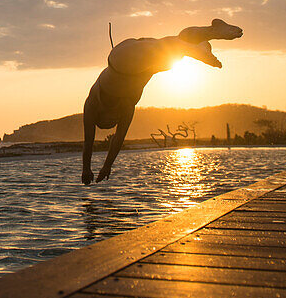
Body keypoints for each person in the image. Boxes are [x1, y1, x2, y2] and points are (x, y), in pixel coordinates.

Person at [82, 18, 243, 185]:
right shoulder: (127, 107)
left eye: (111, 123)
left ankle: (195, 49)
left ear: (104, 117)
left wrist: (87, 168)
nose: (114, 122)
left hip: (121, 60)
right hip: (142, 60)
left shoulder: (93, 103)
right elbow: (118, 139)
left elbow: (90, 141)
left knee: (173, 48)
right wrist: (106, 166)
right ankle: (211, 33)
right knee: (178, 42)